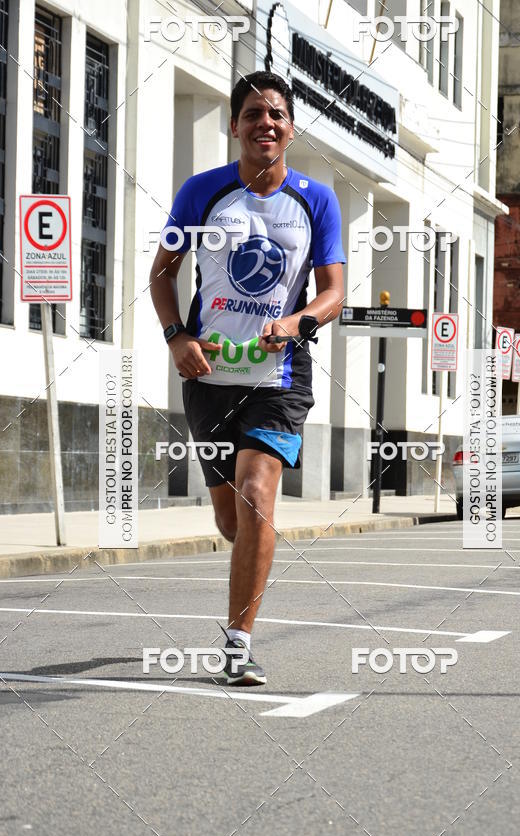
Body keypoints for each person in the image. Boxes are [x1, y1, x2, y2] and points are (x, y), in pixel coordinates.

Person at [150, 71, 345, 685]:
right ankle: (242, 574)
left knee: (258, 494)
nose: (266, 123)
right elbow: (163, 273)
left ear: (291, 129)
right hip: (209, 375)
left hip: (279, 374)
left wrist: (299, 320)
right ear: (234, 126)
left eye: (278, 115)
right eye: (254, 114)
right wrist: (176, 336)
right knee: (232, 520)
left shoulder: (318, 199)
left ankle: (237, 645)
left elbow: (334, 290)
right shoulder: (201, 193)